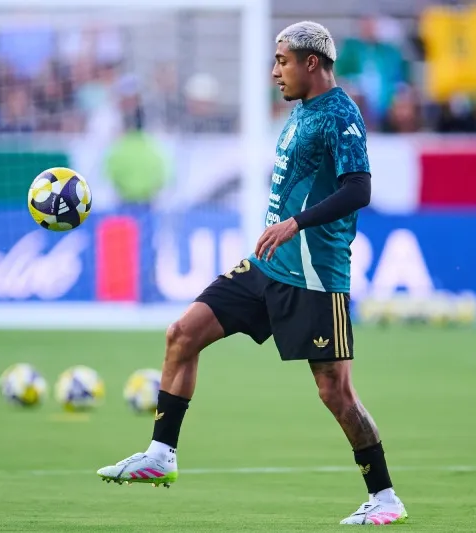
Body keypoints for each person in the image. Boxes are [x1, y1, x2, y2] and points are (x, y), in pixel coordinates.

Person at [96, 21, 408, 526]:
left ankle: (385, 496)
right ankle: (160, 455)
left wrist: (295, 223)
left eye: (282, 61)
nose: (274, 72)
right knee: (182, 334)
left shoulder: (341, 116)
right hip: (265, 266)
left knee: (335, 392)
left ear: (311, 63)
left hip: (314, 275)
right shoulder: (301, 110)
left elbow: (358, 190)